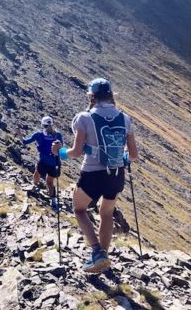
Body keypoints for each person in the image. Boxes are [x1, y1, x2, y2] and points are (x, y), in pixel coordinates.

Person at [52, 77, 138, 273]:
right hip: (117, 174)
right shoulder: (125, 119)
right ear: (110, 95)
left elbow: (76, 151)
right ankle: (102, 259)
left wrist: (60, 152)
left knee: (79, 209)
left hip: (93, 174)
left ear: (92, 95)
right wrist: (120, 156)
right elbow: (133, 155)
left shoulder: (84, 118)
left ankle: (97, 252)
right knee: (106, 213)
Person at [19, 116, 63, 212]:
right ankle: (53, 202)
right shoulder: (58, 135)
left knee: (37, 173)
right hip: (55, 163)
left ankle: (34, 185)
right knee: (50, 182)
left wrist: (19, 134)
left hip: (43, 161)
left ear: (42, 125)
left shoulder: (38, 134)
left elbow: (25, 142)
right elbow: (61, 148)